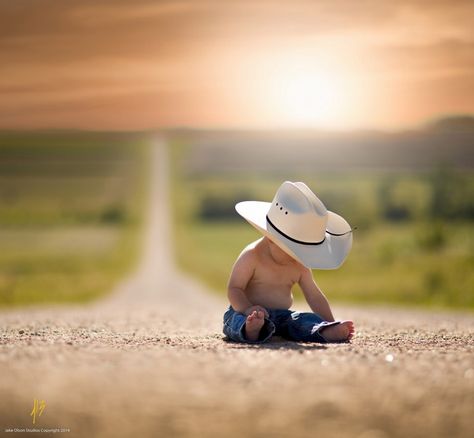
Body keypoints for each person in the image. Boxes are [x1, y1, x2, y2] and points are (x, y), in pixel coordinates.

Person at [223, 181, 355, 344]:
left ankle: (324, 331)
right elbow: (234, 289)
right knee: (235, 320)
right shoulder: (252, 256)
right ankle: (251, 330)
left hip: (282, 316)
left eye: (303, 252)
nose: (299, 258)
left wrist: (329, 321)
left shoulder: (300, 264)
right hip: (246, 311)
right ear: (271, 239)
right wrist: (248, 308)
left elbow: (314, 296)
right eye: (293, 251)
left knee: (303, 319)